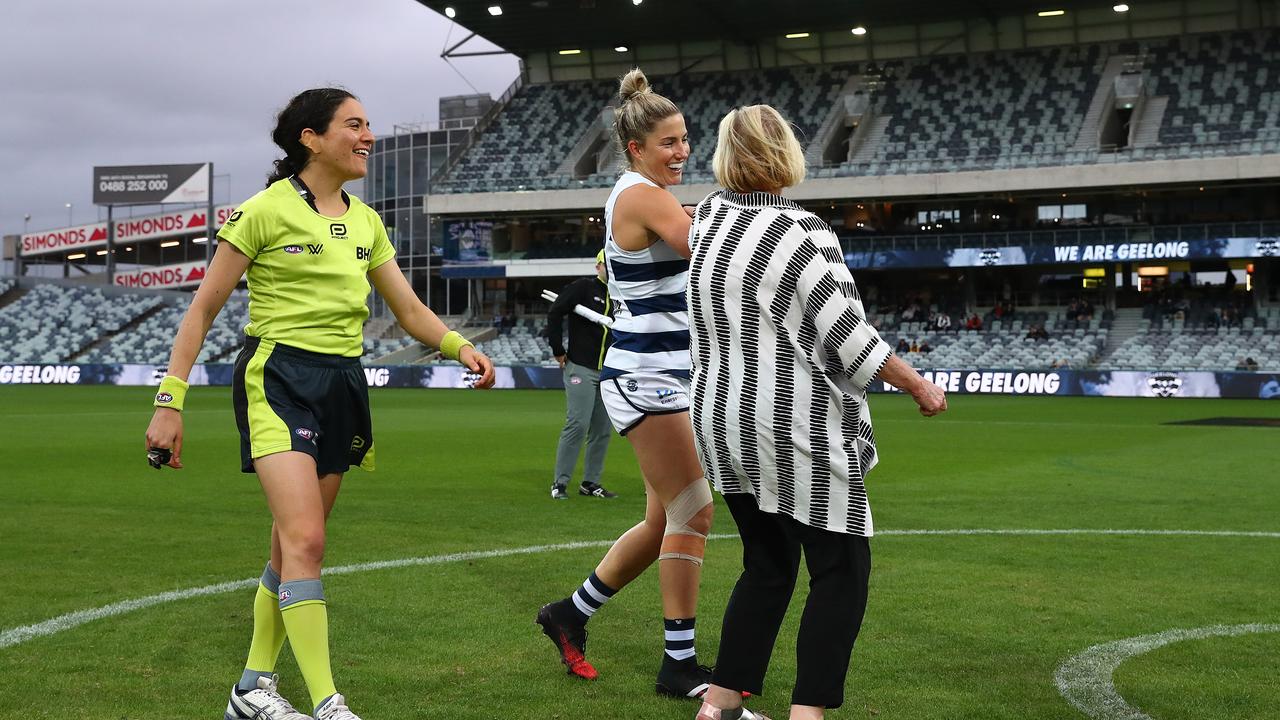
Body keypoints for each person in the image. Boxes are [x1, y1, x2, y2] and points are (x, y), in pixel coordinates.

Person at [143, 88, 495, 720]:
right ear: (311, 137)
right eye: (353, 125)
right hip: (277, 377)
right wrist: (170, 402)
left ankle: (251, 687)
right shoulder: (263, 211)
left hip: (343, 383)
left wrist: (458, 344)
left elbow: (409, 309)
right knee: (305, 538)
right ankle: (330, 703)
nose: (368, 136)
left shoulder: (365, 219)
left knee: (291, 547)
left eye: (368, 125)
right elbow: (202, 309)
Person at [686, 104, 948, 720]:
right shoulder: (802, 232)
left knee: (767, 565)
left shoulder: (705, 224)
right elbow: (849, 338)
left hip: (722, 421)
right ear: (786, 155)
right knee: (841, 569)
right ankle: (808, 712)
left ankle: (719, 704)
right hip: (791, 423)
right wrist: (916, 383)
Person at [535, 68, 715, 700]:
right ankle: (678, 665)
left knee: (660, 520)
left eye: (685, 139)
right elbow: (712, 251)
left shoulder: (641, 193)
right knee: (695, 512)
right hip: (650, 380)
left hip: (665, 375)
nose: (682, 152)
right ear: (637, 148)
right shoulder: (641, 194)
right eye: (668, 142)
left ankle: (569, 613)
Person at [545, 250, 616, 500]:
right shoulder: (583, 287)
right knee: (578, 423)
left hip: (608, 372)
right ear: (598, 266)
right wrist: (557, 349)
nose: (612, 268)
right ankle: (560, 483)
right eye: (608, 263)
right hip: (581, 368)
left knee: (602, 429)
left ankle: (590, 483)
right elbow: (555, 312)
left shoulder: (621, 296)